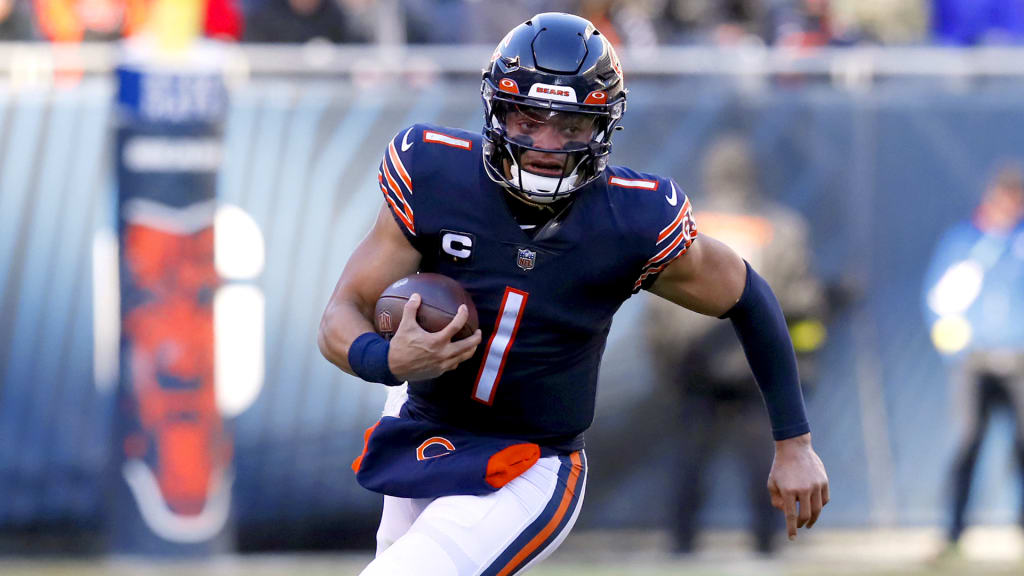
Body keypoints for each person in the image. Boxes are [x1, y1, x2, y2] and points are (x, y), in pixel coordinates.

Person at [318, 12, 829, 575]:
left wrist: (794, 442)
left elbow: (747, 295)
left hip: (530, 462)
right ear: (496, 110)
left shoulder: (632, 219)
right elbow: (342, 313)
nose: (546, 145)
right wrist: (387, 357)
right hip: (426, 427)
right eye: (528, 118)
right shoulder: (435, 173)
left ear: (603, 128)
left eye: (572, 126)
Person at [646, 134, 827, 555]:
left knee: (688, 461)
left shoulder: (682, 221)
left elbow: (656, 309)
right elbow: (802, 305)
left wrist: (665, 362)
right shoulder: (781, 228)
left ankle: (680, 546)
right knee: (767, 459)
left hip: (693, 365)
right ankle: (769, 547)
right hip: (757, 367)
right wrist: (804, 364)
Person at [923, 163, 1024, 556]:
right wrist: (953, 344)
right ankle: (951, 531)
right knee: (967, 442)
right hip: (974, 362)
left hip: (1019, 360)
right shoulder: (964, 242)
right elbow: (938, 299)